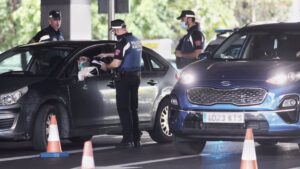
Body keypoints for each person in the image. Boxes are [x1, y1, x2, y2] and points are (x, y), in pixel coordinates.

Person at [99, 19, 142, 148]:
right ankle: (136, 137)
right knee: (133, 108)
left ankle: (127, 139)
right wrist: (108, 53)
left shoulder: (122, 42)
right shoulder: (135, 40)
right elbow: (127, 53)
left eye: (114, 31)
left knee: (123, 109)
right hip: (136, 77)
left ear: (117, 29)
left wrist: (106, 66)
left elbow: (116, 63)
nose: (114, 34)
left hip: (124, 78)